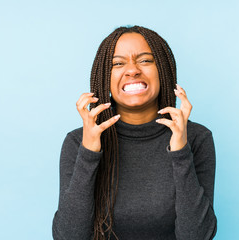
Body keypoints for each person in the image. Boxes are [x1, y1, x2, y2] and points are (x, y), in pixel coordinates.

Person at [52, 25, 217, 240]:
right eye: (118, 63)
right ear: (105, 77)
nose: (132, 70)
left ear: (163, 70)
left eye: (145, 60)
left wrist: (180, 152)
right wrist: (89, 153)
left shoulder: (196, 138)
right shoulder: (77, 142)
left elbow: (197, 236)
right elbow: (68, 237)